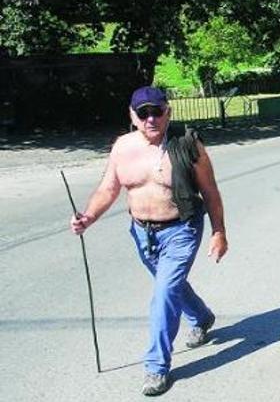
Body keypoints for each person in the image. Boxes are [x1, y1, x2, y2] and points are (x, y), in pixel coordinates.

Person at [69, 86, 228, 396]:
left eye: (157, 111)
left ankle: (156, 367)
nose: (151, 118)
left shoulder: (187, 145)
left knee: (164, 294)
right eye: (143, 113)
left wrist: (219, 232)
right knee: (172, 287)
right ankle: (201, 316)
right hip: (142, 232)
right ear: (132, 115)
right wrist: (88, 217)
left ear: (168, 111)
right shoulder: (122, 147)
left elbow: (210, 192)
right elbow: (108, 189)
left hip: (181, 229)